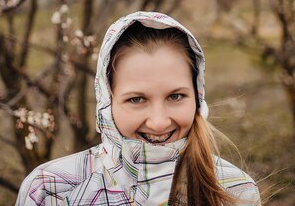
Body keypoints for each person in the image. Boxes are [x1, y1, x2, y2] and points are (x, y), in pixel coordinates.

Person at [16, 11, 260, 205]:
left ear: (197, 97)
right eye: (136, 99)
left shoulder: (235, 190)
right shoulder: (51, 190)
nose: (159, 122)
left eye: (176, 96)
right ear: (107, 102)